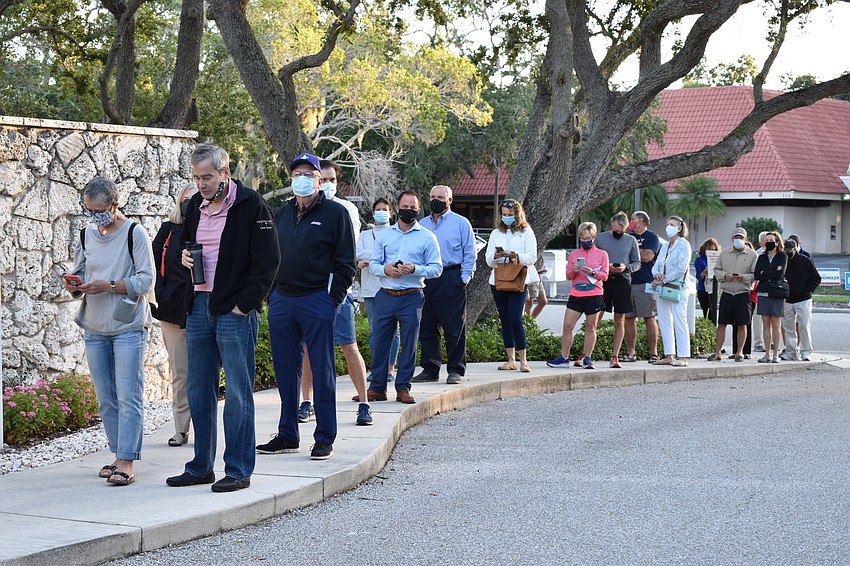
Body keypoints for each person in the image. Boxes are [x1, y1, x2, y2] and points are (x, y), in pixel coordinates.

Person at [166, 143, 279, 493]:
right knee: (199, 389)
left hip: (233, 311)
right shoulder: (194, 208)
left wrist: (243, 306)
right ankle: (201, 466)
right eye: (197, 177)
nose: (201, 184)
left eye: (207, 177)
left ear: (225, 173)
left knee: (238, 393)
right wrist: (185, 257)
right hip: (199, 306)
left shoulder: (251, 205)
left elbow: (268, 262)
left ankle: (239, 469)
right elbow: (184, 245)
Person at [257, 153, 356, 460]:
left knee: (323, 370)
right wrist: (271, 295)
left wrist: (332, 300)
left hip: (317, 301)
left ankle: (325, 436)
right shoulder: (282, 213)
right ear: (291, 179)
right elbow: (270, 256)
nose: (302, 178)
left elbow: (346, 263)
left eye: (309, 174)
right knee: (286, 371)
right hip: (283, 301)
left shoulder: (335, 213)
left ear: (318, 179)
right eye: (297, 173)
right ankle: (287, 434)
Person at [63, 176, 155, 486]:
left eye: (99, 210)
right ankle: (118, 454)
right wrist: (74, 284)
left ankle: (127, 461)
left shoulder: (134, 233)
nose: (93, 216)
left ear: (114, 205)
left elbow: (146, 280)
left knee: (129, 395)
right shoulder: (87, 233)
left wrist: (111, 286)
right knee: (106, 397)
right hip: (94, 325)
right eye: (88, 210)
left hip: (127, 325)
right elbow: (82, 271)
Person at [297, 159, 370, 427]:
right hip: (308, 292)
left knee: (348, 346)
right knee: (307, 349)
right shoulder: (299, 209)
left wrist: (338, 292)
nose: (327, 185)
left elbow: (344, 252)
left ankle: (364, 403)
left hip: (337, 293)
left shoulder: (345, 210)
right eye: (322, 180)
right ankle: (307, 401)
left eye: (331, 180)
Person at [361, 190, 442, 404]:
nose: (408, 210)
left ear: (418, 209)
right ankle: (377, 387)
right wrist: (387, 269)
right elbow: (375, 264)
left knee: (409, 344)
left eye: (412, 207)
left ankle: (403, 388)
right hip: (385, 295)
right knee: (379, 342)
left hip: (412, 296)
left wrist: (414, 268)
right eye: (404, 207)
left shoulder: (427, 236)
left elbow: (437, 268)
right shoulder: (385, 235)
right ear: (397, 209)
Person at [413, 185, 476, 385]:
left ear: (449, 200)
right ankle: (430, 368)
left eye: (440, 197)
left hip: (451, 277)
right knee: (427, 325)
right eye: (433, 196)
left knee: (454, 326)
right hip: (426, 278)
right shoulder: (421, 224)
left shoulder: (461, 223)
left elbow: (470, 253)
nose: (436, 200)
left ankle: (456, 369)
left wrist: (464, 278)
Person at [152, 182, 197, 447]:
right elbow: (153, 265)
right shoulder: (168, 230)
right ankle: (181, 428)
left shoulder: (210, 228)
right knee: (180, 372)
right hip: (172, 310)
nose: (190, 204)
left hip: (202, 306)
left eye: (195, 199)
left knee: (203, 372)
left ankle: (204, 426)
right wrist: (161, 294)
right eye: (186, 199)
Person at [485, 199, 538, 372]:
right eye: (504, 215)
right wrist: (497, 255)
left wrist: (514, 255)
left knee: (515, 318)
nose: (507, 218)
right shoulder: (495, 234)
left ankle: (523, 360)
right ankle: (510, 359)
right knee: (505, 319)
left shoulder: (526, 232)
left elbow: (531, 258)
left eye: (510, 215)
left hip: (518, 280)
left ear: (517, 214)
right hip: (498, 280)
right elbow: (489, 261)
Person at [546, 222, 609, 370]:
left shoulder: (602, 254)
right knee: (567, 325)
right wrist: (574, 270)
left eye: (588, 238)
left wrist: (592, 272)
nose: (585, 241)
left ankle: (587, 358)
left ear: (593, 238)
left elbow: (605, 275)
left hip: (594, 293)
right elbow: (568, 276)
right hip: (576, 293)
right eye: (583, 238)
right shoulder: (574, 254)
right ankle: (564, 357)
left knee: (590, 326)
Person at [357, 198, 400, 382]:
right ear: (373, 213)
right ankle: (377, 369)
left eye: (385, 209)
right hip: (370, 288)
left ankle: (390, 368)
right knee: (375, 329)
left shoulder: (396, 233)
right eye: (378, 209)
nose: (381, 212)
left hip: (390, 286)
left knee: (393, 331)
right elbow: (358, 254)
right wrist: (380, 257)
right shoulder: (365, 235)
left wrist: (370, 260)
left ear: (391, 212)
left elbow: (396, 255)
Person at [594, 211, 640, 368]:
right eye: (616, 230)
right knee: (595, 317)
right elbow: (593, 258)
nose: (619, 233)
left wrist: (625, 267)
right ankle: (588, 353)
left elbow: (637, 262)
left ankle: (615, 355)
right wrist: (604, 268)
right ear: (611, 226)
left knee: (619, 319)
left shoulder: (631, 240)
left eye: (622, 230)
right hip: (603, 280)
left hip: (622, 281)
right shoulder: (600, 238)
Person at [708, 228, 757, 362]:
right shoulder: (724, 253)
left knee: (743, 324)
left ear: (746, 239)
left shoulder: (753, 255)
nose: (738, 240)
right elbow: (716, 270)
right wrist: (725, 276)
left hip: (743, 293)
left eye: (741, 237)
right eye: (736, 237)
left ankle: (739, 352)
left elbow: (755, 274)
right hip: (727, 292)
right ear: (732, 238)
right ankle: (717, 352)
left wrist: (744, 277)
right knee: (722, 323)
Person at [651, 216, 692, 367]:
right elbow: (656, 265)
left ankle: (683, 357)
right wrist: (657, 275)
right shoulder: (665, 246)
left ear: (679, 228)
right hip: (663, 287)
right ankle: (669, 354)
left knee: (679, 319)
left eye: (672, 224)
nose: (668, 227)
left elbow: (681, 268)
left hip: (678, 287)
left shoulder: (684, 245)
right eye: (667, 224)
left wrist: (663, 279)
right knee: (664, 320)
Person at [623, 211, 661, 363]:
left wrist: (630, 250)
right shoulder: (626, 237)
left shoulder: (652, 237)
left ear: (640, 221)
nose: (630, 223)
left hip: (645, 282)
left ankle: (654, 353)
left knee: (649, 317)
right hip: (627, 282)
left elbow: (647, 257)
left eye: (632, 219)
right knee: (628, 318)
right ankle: (630, 353)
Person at [781, 238, 820, 361]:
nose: (788, 253)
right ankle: (791, 351)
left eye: (790, 250)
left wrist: (807, 290)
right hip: (787, 299)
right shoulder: (782, 260)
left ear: (795, 249)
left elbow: (816, 278)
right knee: (788, 327)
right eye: (785, 250)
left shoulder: (805, 261)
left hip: (803, 298)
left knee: (804, 325)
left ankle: (806, 351)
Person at [754, 231, 787, 364]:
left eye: (771, 240)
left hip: (776, 292)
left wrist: (766, 273)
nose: (768, 243)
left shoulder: (782, 256)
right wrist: (771, 272)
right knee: (766, 323)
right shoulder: (761, 258)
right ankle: (767, 354)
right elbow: (757, 275)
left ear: (777, 242)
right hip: (763, 292)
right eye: (766, 241)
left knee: (776, 324)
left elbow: (780, 274)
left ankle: (775, 354)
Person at [694, 238, 720, 324]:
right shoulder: (700, 260)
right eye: (709, 250)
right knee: (708, 311)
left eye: (714, 250)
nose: (712, 252)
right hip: (703, 289)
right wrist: (706, 271)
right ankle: (709, 331)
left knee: (714, 312)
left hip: (713, 288)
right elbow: (699, 276)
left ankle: (714, 330)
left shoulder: (717, 259)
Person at [751, 231, 768, 353]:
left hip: (772, 291)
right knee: (758, 318)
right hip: (758, 291)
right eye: (764, 241)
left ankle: (770, 341)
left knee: (772, 318)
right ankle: (758, 342)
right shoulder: (756, 255)